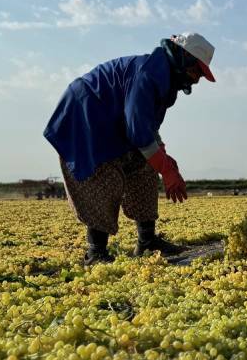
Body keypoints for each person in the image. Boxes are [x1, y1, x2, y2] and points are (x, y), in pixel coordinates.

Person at [44, 32, 216, 264]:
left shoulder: (163, 80)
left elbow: (148, 128)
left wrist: (164, 159)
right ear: (184, 57)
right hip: (85, 119)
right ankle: (96, 252)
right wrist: (166, 169)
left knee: (145, 165)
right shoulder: (147, 74)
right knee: (102, 176)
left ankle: (147, 241)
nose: (196, 79)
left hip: (112, 125)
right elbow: (137, 130)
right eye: (197, 71)